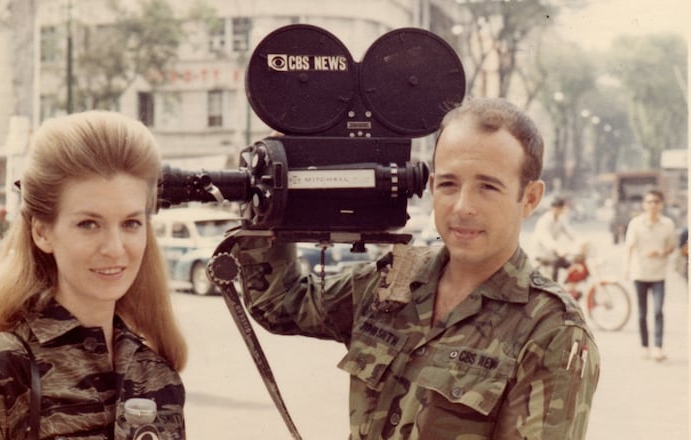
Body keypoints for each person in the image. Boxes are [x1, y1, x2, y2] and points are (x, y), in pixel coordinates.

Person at [231, 97, 600, 439]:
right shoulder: (395, 279)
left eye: (488, 187)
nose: (462, 206)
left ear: (530, 198)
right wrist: (274, 189)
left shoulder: (551, 331)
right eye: (449, 184)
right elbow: (280, 304)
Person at [0, 111, 188, 439]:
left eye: (131, 223)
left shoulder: (157, 374)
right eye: (89, 224)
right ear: (42, 232)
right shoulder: (3, 371)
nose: (115, 248)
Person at [624, 189, 676, 362]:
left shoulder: (668, 224)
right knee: (642, 313)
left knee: (658, 310)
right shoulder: (635, 224)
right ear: (644, 205)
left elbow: (672, 246)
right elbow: (629, 247)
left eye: (655, 201)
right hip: (639, 273)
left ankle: (658, 347)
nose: (652, 205)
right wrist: (627, 268)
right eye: (649, 202)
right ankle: (645, 346)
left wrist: (660, 251)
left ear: (661, 204)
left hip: (658, 274)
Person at [533, 196, 575, 281]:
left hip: (553, 252)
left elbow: (570, 233)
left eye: (561, 208)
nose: (559, 211)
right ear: (553, 208)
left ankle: (571, 289)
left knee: (572, 265)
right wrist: (559, 249)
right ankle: (553, 290)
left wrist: (582, 243)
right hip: (541, 252)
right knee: (555, 264)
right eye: (557, 208)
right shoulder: (544, 221)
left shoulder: (561, 219)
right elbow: (546, 240)